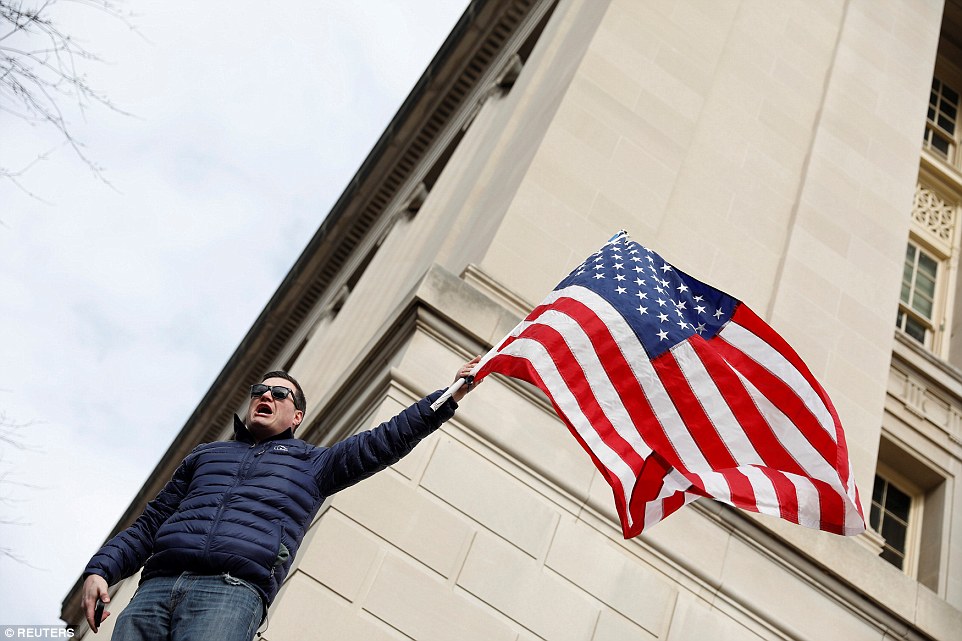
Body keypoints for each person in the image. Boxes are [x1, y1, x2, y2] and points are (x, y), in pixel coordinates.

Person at [80, 357, 480, 640]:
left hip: (228, 593)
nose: (265, 395)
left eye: (279, 393)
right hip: (154, 591)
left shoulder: (314, 463)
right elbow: (151, 524)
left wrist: (451, 393)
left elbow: (384, 440)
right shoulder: (206, 455)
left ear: (296, 417)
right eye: (260, 390)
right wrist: (102, 570)